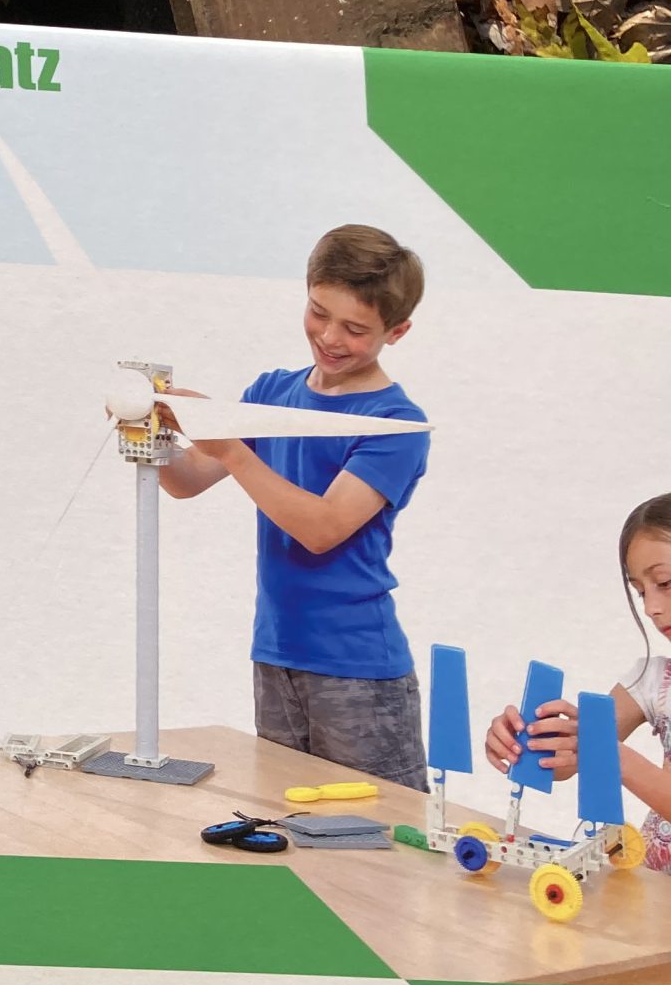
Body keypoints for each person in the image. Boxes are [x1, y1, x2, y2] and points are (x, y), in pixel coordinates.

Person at [157, 225, 432, 786]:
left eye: (355, 328)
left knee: (381, 827)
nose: (330, 337)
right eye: (318, 312)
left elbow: (323, 527)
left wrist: (230, 446)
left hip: (358, 667)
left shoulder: (395, 423)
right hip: (276, 652)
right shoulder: (272, 393)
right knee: (285, 818)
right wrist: (154, 432)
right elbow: (187, 480)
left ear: (397, 331)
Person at [484, 494, 671, 870]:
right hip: (652, 890)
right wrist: (526, 739)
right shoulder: (654, 680)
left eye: (664, 582)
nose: (651, 607)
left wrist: (603, 749)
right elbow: (564, 763)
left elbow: (597, 746)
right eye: (640, 592)